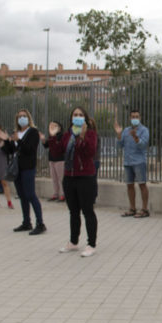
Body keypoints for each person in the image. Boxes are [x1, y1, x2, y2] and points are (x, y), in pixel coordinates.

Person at [59, 107, 99, 256]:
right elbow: (58, 152)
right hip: (69, 176)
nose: (77, 117)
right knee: (73, 211)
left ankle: (91, 244)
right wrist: (52, 138)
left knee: (88, 210)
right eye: (75, 115)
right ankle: (73, 242)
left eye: (80, 115)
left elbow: (90, 153)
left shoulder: (91, 134)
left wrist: (82, 137)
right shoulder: (67, 135)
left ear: (86, 118)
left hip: (85, 177)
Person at [0, 109, 45, 235]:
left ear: (29, 118)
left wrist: (18, 140)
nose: (22, 118)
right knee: (22, 196)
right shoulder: (16, 133)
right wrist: (7, 141)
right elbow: (11, 151)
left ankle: (40, 223)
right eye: (20, 117)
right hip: (17, 168)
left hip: (28, 167)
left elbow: (29, 149)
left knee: (30, 194)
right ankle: (26, 222)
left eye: (24, 116)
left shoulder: (33, 132)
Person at [114, 110, 150, 218]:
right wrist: (119, 135)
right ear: (130, 118)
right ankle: (132, 208)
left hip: (139, 162)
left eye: (137, 116)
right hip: (128, 162)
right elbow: (120, 146)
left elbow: (143, 145)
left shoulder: (144, 130)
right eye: (133, 116)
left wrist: (136, 138)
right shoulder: (126, 130)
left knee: (142, 184)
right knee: (129, 185)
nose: (135, 118)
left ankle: (144, 209)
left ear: (140, 118)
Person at [43, 121, 67, 202]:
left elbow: (60, 147)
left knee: (61, 178)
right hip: (51, 159)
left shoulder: (62, 136)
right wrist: (43, 141)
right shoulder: (51, 135)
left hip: (60, 159)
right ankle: (56, 193)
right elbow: (46, 145)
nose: (53, 127)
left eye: (55, 126)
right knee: (54, 178)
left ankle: (63, 194)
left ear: (59, 127)